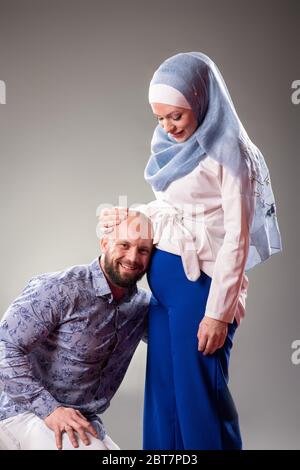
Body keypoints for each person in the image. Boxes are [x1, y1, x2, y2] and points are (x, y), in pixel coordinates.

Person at [99, 52, 282, 450]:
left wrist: (218, 313)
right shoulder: (172, 144)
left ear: (201, 99)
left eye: (175, 117)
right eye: (160, 118)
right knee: (165, 392)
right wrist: (133, 214)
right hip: (166, 291)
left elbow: (237, 236)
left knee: (199, 396)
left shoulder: (231, 152)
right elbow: (173, 209)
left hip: (202, 290)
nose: (167, 127)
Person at [0, 211, 153, 450]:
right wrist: (49, 409)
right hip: (24, 413)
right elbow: (4, 347)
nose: (133, 257)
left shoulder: (141, 307)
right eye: (124, 244)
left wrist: (221, 308)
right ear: (104, 243)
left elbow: (176, 340)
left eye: (143, 250)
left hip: (81, 421)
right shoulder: (61, 289)